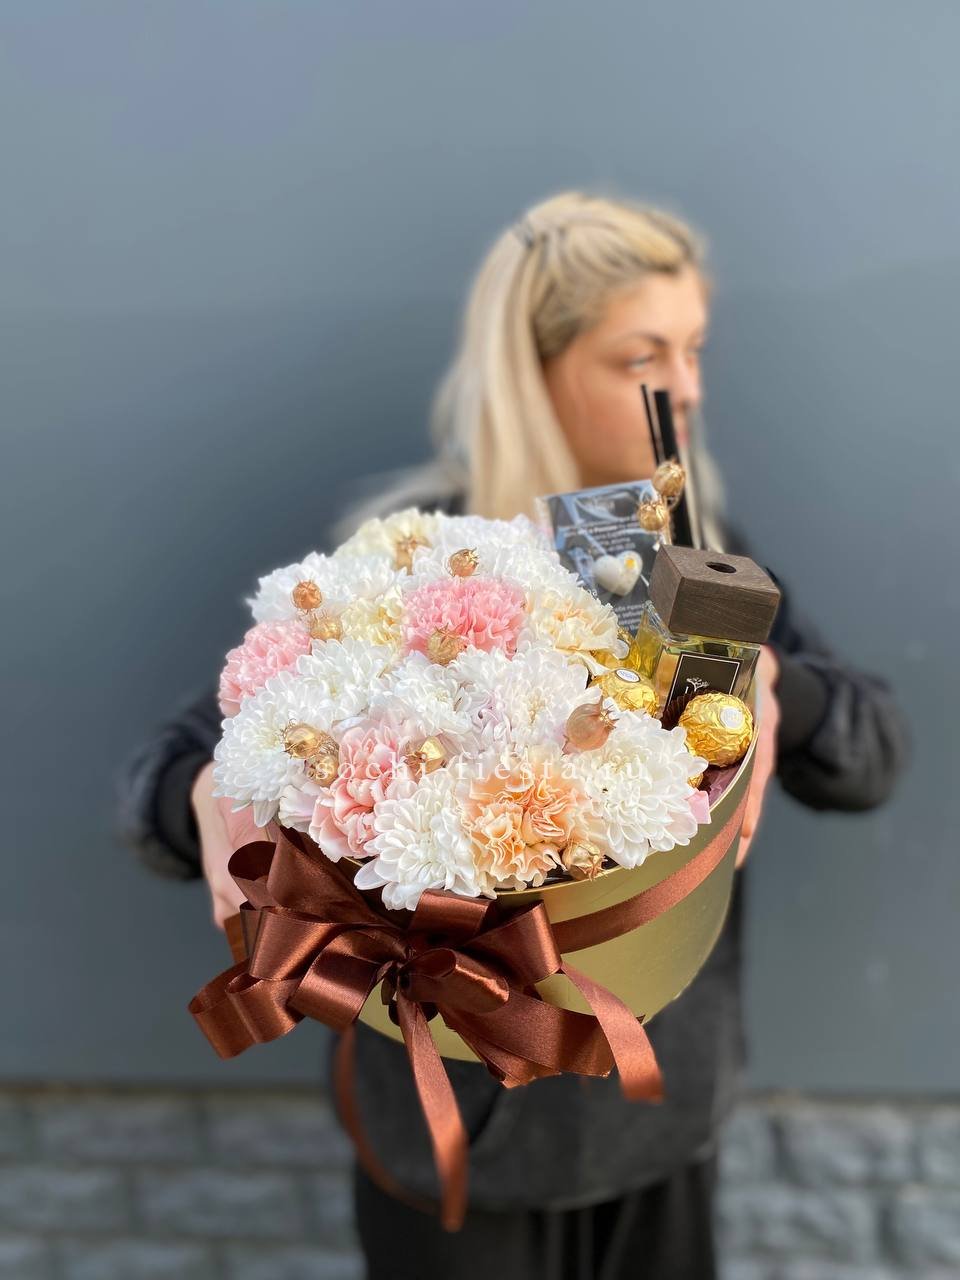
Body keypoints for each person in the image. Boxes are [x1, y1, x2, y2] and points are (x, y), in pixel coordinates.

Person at [119, 192, 906, 1280]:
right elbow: (157, 784)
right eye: (643, 354)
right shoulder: (403, 563)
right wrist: (209, 786)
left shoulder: (698, 563)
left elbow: (873, 758)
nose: (686, 386)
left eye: (694, 349)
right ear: (534, 370)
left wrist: (777, 680)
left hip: (655, 1116)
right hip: (446, 1135)